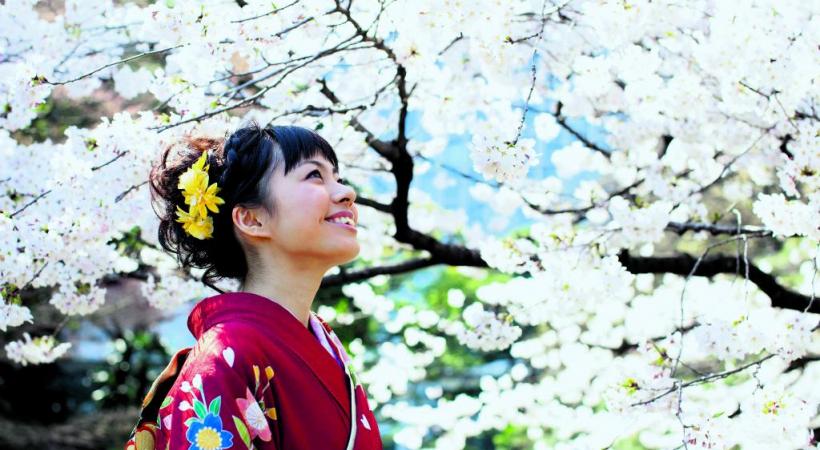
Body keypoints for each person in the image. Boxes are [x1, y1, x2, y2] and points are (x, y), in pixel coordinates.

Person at [125, 123, 383, 450]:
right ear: (251, 220)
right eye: (314, 176)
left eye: (338, 178)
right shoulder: (221, 360)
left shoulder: (325, 344)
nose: (347, 193)